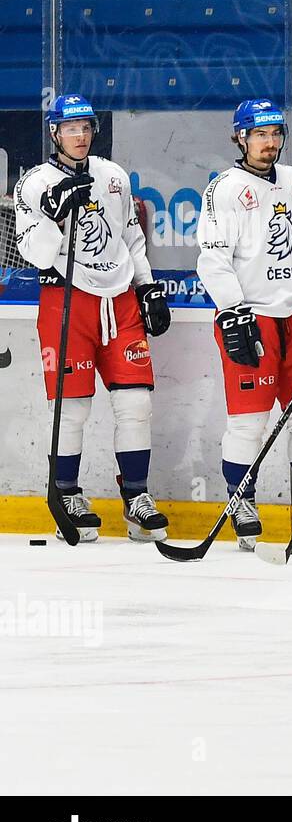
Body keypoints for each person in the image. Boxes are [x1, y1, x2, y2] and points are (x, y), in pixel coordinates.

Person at [197, 98, 292, 551]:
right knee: (249, 422)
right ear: (239, 137)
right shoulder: (224, 189)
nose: (270, 143)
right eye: (260, 134)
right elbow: (212, 260)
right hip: (251, 316)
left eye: (275, 133)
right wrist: (232, 310)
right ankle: (240, 500)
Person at [12, 93, 171, 542]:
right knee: (71, 409)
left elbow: (131, 238)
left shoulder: (113, 176)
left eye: (85, 127)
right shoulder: (34, 184)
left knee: (136, 404)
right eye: (70, 128)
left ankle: (136, 498)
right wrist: (52, 211)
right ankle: (67, 495)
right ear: (54, 133)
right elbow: (36, 254)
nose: (79, 136)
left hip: (120, 300)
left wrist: (147, 286)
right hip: (66, 300)